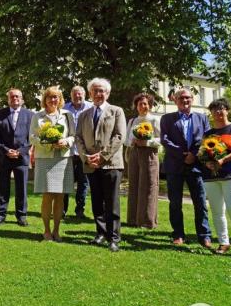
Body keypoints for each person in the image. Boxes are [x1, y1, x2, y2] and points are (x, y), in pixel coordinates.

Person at [75, 78, 126, 252]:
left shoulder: (116, 111)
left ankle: (114, 237)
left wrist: (102, 156)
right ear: (90, 94)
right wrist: (86, 157)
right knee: (96, 201)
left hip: (111, 164)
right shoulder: (84, 115)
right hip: (90, 164)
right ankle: (101, 233)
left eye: (102, 90)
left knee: (112, 202)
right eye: (95, 91)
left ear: (108, 93)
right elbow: (78, 138)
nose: (98, 94)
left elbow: (119, 136)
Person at [160, 87, 213, 248]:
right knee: (175, 203)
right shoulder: (167, 118)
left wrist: (194, 155)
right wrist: (183, 154)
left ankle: (204, 236)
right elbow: (165, 139)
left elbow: (207, 139)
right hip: (174, 165)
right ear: (175, 100)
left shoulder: (202, 118)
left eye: (188, 98)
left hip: (196, 166)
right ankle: (178, 234)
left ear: (192, 100)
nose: (185, 101)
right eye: (181, 98)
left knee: (201, 202)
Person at [201, 98, 231, 260]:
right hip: (212, 178)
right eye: (214, 110)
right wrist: (207, 162)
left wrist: (224, 159)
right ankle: (224, 242)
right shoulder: (208, 134)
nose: (218, 112)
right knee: (217, 211)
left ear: (227, 110)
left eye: (221, 109)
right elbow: (202, 153)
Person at [30, 86, 76, 241]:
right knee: (47, 196)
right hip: (45, 158)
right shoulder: (38, 116)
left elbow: (73, 135)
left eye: (56, 97)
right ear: (45, 99)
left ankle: (57, 230)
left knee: (60, 196)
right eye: (50, 97)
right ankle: (47, 231)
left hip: (63, 159)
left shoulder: (67, 115)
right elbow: (32, 138)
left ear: (60, 99)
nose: (53, 100)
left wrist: (66, 141)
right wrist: (47, 143)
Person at [0, 89, 33, 227]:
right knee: (3, 187)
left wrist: (20, 151)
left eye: (17, 96)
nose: (15, 98)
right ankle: (0, 215)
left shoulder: (29, 115)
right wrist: (6, 150)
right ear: (8, 99)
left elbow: (31, 137)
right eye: (12, 96)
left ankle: (21, 215)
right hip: (5, 157)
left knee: (21, 187)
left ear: (22, 99)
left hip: (21, 158)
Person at [124, 93, 161, 229]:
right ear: (136, 106)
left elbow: (161, 139)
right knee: (134, 185)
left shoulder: (154, 120)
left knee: (149, 186)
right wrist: (133, 141)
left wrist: (147, 142)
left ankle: (147, 221)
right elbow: (126, 140)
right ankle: (133, 219)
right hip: (134, 153)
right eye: (140, 104)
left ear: (150, 106)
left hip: (149, 154)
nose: (143, 106)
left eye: (145, 104)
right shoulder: (132, 121)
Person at [62, 85, 93, 218]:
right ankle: (62, 210)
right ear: (71, 95)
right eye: (75, 94)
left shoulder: (90, 108)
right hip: (67, 152)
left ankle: (79, 210)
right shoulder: (64, 109)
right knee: (65, 182)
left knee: (83, 183)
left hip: (84, 152)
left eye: (80, 94)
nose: (77, 96)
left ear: (84, 95)